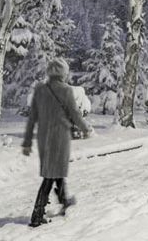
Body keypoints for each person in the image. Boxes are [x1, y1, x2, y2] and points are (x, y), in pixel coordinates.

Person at [22, 58, 92, 227]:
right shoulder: (66, 90)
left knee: (55, 171)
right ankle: (37, 214)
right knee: (50, 175)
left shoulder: (39, 90)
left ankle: (63, 200)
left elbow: (32, 118)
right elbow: (75, 113)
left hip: (44, 138)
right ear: (63, 72)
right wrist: (85, 128)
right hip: (60, 137)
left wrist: (27, 142)